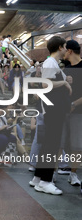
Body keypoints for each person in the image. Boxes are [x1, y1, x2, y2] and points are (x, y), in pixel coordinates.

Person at [29, 36, 71, 195]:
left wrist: (66, 79)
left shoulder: (53, 64)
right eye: (65, 46)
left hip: (55, 109)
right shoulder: (50, 62)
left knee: (48, 144)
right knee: (52, 145)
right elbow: (46, 84)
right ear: (60, 47)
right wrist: (64, 83)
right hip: (53, 110)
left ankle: (38, 178)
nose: (67, 49)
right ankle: (46, 181)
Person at [61, 39, 82, 186]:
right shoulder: (66, 68)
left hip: (78, 113)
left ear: (69, 51)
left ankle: (73, 174)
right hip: (63, 112)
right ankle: (53, 173)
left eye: (64, 48)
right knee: (61, 144)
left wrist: (74, 104)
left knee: (76, 146)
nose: (62, 51)